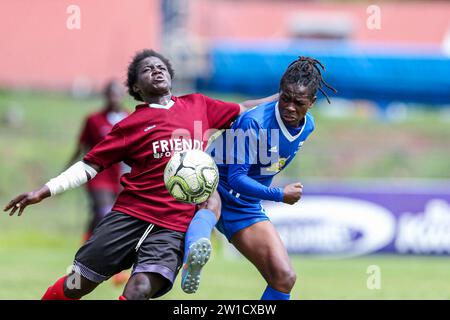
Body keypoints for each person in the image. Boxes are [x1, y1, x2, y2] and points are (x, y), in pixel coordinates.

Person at [3, 49, 277, 300]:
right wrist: (44, 190)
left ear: (170, 75)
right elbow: (90, 165)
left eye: (161, 67)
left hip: (174, 225)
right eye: (147, 69)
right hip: (129, 216)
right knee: (77, 284)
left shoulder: (198, 105)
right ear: (135, 87)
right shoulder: (130, 125)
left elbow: (245, 108)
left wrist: (282, 98)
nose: (156, 71)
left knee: (140, 289)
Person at [182, 56, 336, 299]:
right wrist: (279, 194)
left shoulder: (308, 125)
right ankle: (195, 248)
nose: (290, 107)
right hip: (214, 183)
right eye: (285, 98)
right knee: (210, 207)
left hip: (246, 203)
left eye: (299, 102)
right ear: (279, 92)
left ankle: (194, 246)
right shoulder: (254, 123)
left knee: (284, 277)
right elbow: (236, 178)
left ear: (312, 103)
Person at [67, 80, 128, 243]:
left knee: (107, 216)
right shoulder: (94, 120)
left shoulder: (130, 118)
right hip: (97, 175)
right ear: (105, 96)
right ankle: (102, 255)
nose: (114, 98)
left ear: (123, 95)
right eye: (110, 94)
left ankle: (87, 246)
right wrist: (67, 173)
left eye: (117, 94)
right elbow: (81, 147)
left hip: (121, 176)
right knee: (104, 212)